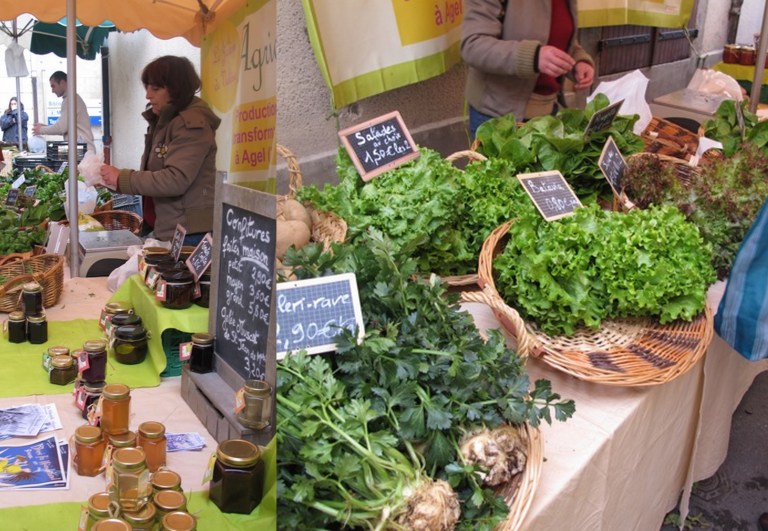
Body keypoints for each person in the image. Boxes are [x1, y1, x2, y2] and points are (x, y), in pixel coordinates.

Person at [99, 56, 220, 245]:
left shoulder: (191, 125)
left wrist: (122, 178)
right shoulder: (163, 120)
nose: (148, 95)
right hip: (167, 226)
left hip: (189, 234)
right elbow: (154, 173)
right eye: (147, 87)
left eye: (155, 88)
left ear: (177, 89)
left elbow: (175, 179)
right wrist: (110, 179)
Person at [461, 0, 595, 139]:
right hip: (498, 117)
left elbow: (558, 34)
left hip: (547, 113)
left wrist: (578, 60)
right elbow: (473, 45)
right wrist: (534, 56)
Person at [32, 71, 96, 153]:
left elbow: (60, 128)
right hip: (82, 150)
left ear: (62, 83)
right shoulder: (72, 98)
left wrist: (41, 130)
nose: (52, 90)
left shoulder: (71, 100)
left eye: (53, 86)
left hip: (83, 151)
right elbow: (65, 128)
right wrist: (45, 127)